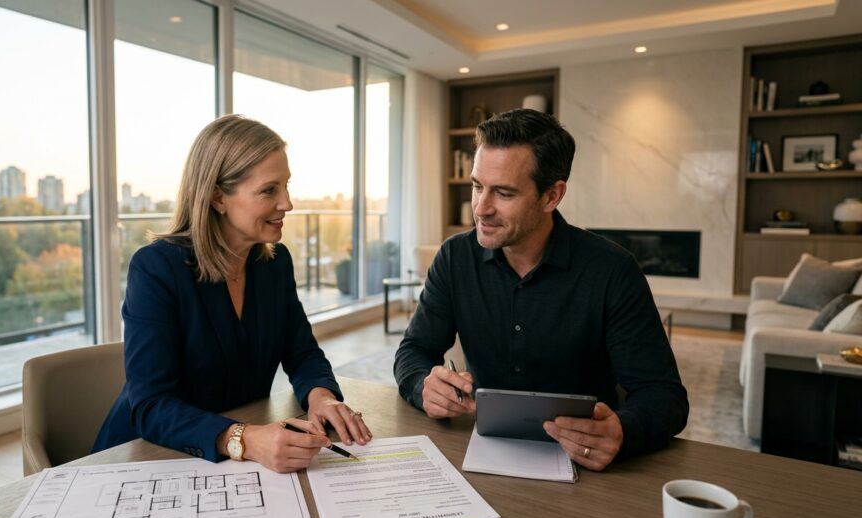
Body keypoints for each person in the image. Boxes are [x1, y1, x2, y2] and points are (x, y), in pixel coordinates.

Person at [394, 109, 687, 471]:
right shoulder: (454, 258)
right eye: (477, 186)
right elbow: (414, 350)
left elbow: (664, 395)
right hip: (481, 453)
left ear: (552, 196)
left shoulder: (612, 271)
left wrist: (623, 431)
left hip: (586, 466)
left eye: (503, 192)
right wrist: (423, 385)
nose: (481, 208)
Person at [93, 115, 371, 473]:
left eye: (286, 186)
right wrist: (244, 439)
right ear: (217, 196)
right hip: (146, 459)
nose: (287, 203)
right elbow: (151, 405)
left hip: (234, 463)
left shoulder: (274, 263)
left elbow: (301, 351)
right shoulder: (156, 269)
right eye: (269, 190)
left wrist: (321, 397)